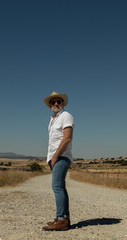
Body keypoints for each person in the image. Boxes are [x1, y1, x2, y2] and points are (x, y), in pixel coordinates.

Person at [42, 91, 74, 231]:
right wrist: (50, 159)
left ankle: (61, 220)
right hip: (55, 157)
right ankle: (63, 218)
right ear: (50, 105)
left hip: (62, 156)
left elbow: (67, 138)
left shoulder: (66, 116)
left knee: (57, 187)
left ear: (63, 103)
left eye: (58, 101)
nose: (56, 104)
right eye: (53, 102)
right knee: (61, 186)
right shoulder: (52, 119)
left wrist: (55, 157)